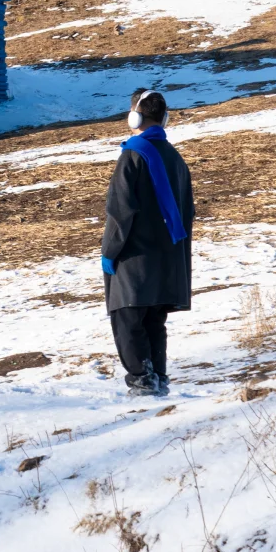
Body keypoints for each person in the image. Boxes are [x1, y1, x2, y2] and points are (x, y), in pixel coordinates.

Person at [100, 87, 194, 396]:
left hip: (134, 258)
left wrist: (110, 252)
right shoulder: (176, 159)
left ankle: (142, 382)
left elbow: (120, 211)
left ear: (134, 117)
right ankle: (159, 381)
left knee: (127, 318)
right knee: (155, 321)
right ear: (165, 118)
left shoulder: (133, 154)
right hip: (167, 259)